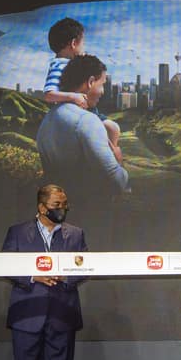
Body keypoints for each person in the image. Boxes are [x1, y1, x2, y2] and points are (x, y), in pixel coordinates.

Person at [3, 184, 87, 360]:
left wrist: (66, 276)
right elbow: (5, 264)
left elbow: (85, 267)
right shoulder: (17, 233)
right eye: (56, 205)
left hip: (62, 313)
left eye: (64, 204)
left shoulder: (76, 234)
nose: (63, 208)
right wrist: (33, 276)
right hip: (27, 314)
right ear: (41, 207)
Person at [36, 54, 129, 246]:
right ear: (90, 82)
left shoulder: (48, 119)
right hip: (90, 219)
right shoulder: (87, 121)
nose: (102, 91)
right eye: (102, 84)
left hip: (56, 221)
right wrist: (119, 160)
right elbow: (115, 178)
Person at [42, 17, 120, 154]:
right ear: (73, 43)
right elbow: (48, 95)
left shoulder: (73, 61)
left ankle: (109, 152)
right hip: (79, 110)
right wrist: (73, 97)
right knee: (111, 129)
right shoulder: (58, 65)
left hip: (87, 109)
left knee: (112, 128)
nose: (83, 47)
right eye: (82, 43)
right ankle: (110, 155)